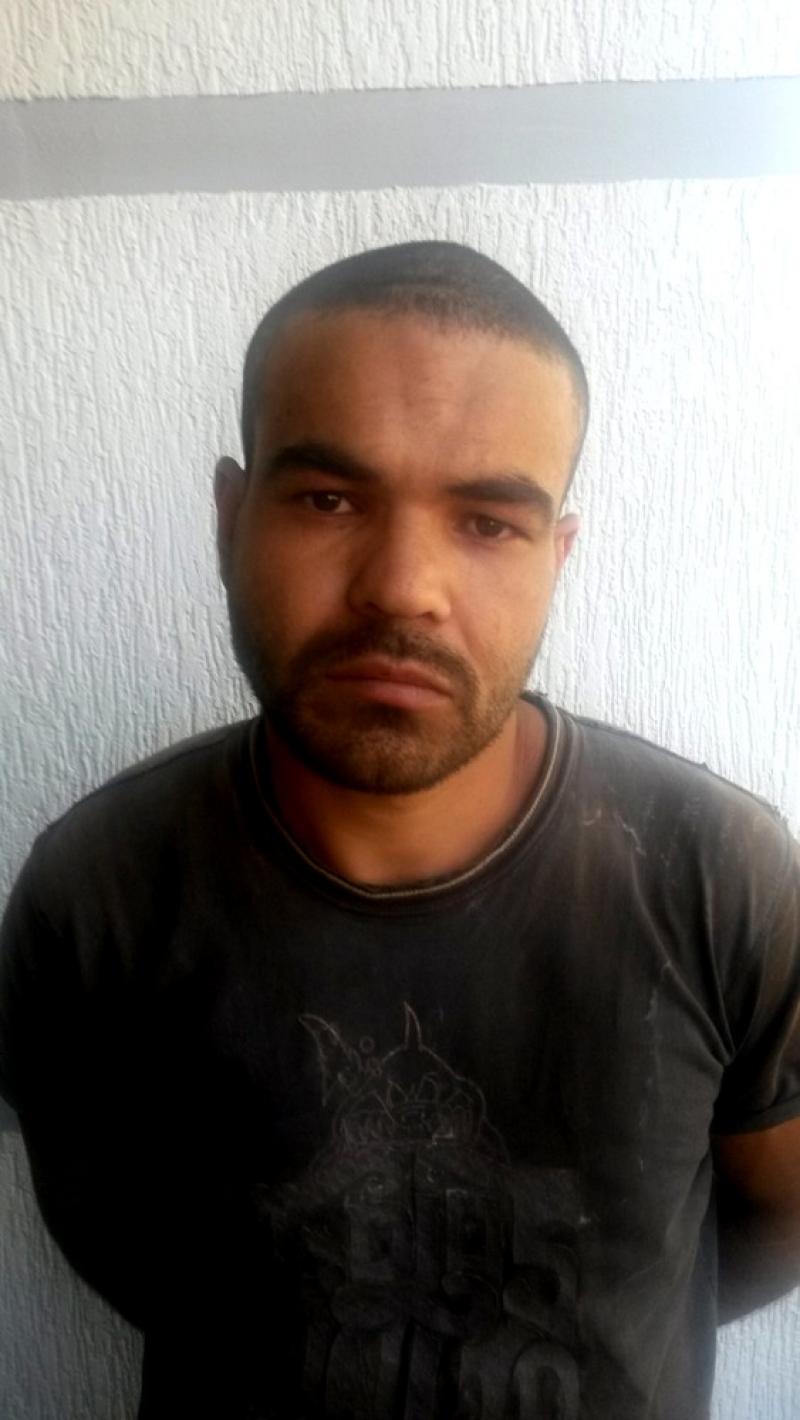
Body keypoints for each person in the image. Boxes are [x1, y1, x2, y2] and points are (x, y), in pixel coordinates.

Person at [0, 240, 798, 1420]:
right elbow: (114, 1237)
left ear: (554, 558)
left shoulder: (720, 876)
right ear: (231, 519)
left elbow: (773, 1221)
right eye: (328, 499)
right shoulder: (96, 891)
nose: (401, 585)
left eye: (486, 522)